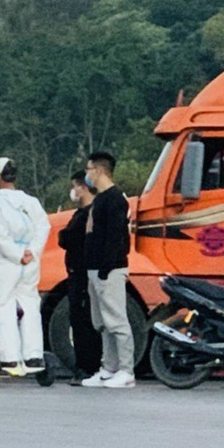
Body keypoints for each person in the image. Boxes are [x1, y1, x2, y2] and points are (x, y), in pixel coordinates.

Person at [0, 156, 51, 375]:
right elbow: (43, 226)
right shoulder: (30, 202)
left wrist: (17, 255)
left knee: (2, 308)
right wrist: (32, 251)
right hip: (30, 263)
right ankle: (33, 356)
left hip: (6, 263)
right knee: (30, 306)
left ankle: (10, 359)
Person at [81, 150, 135, 389]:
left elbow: (117, 238)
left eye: (89, 169)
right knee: (102, 322)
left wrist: (106, 267)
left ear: (100, 170)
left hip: (110, 270)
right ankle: (108, 368)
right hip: (94, 270)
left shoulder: (115, 200)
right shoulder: (100, 199)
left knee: (117, 321)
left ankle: (126, 370)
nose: (87, 174)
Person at [58, 172, 103, 382]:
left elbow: (67, 238)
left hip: (81, 274)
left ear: (83, 188)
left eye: (75, 186)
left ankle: (85, 367)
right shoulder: (87, 213)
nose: (73, 191)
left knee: (82, 321)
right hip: (80, 272)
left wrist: (65, 235)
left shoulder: (87, 214)